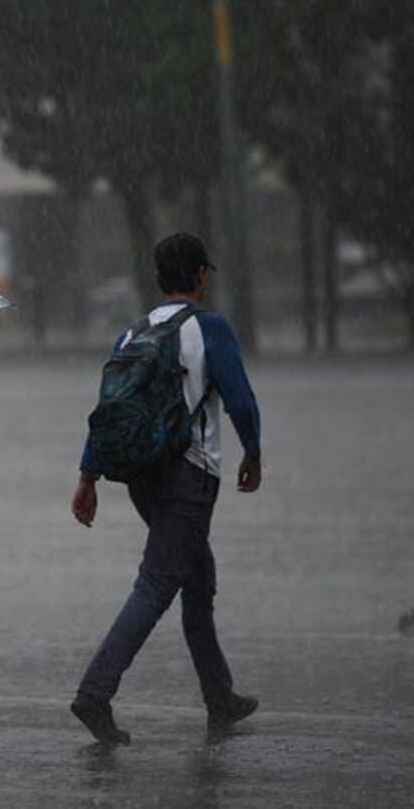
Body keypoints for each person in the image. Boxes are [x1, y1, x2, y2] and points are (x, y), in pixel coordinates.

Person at [69, 233, 262, 745]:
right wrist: (253, 453)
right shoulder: (210, 329)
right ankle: (95, 691)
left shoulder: (131, 334)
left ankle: (219, 695)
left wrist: (87, 477)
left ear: (156, 277)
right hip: (189, 475)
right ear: (201, 276)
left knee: (197, 577)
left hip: (141, 476)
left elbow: (106, 410)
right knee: (157, 584)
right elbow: (240, 401)